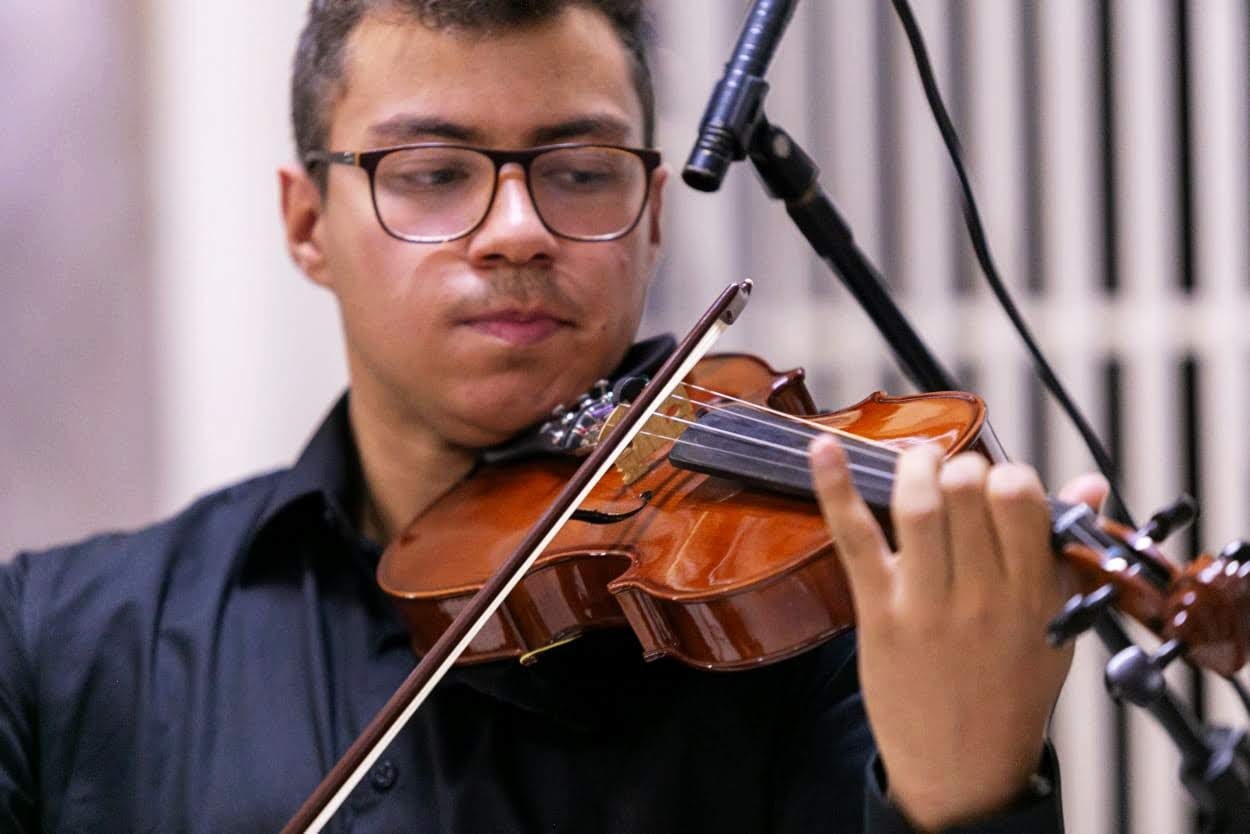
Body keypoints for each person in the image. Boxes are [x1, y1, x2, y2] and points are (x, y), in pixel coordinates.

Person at [0, 1, 1108, 831]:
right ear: (306, 226)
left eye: (580, 173)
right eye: (432, 173)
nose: (517, 230)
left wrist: (966, 798)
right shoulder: (60, 643)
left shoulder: (827, 629)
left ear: (653, 217)